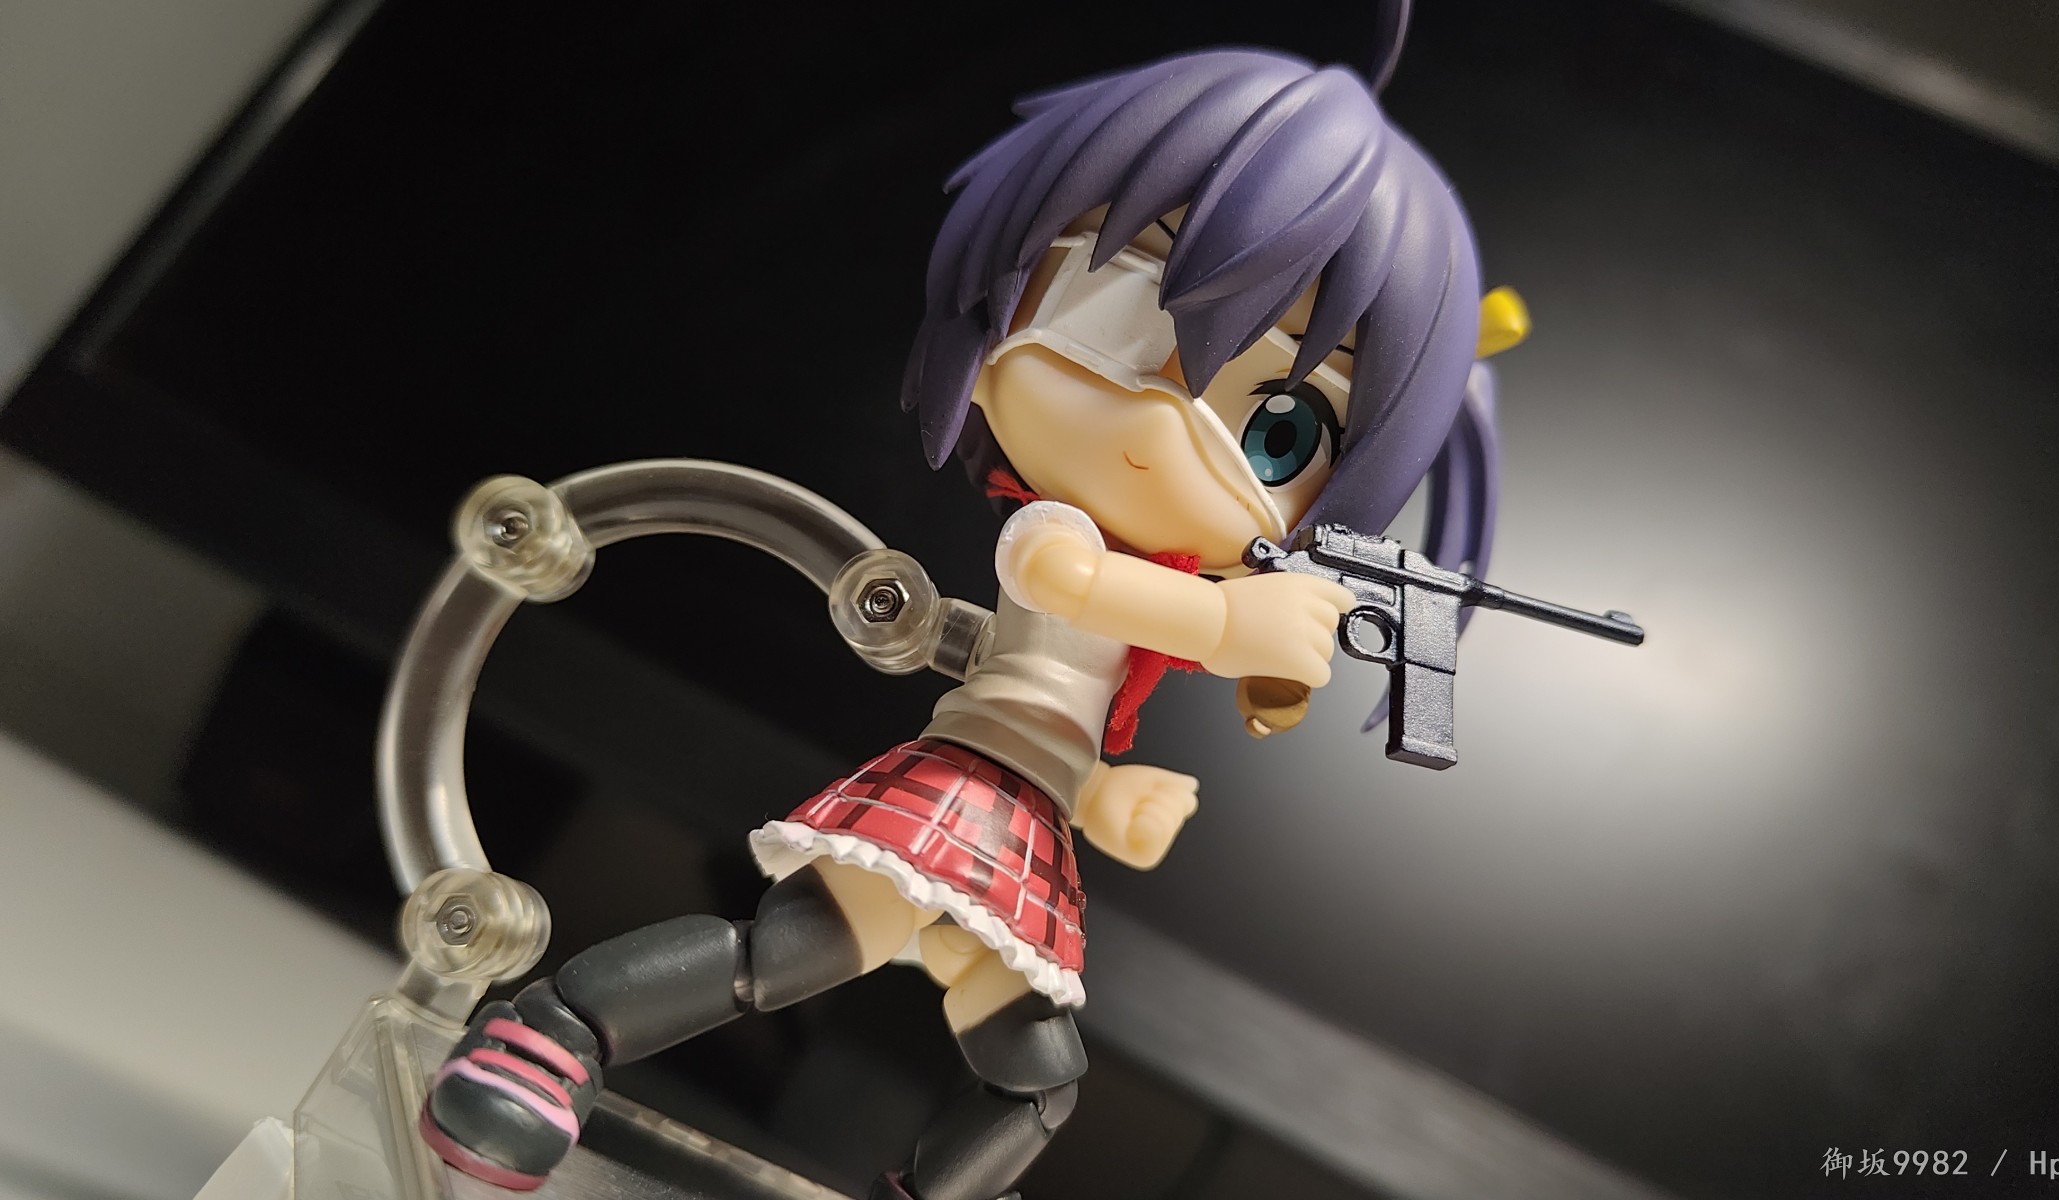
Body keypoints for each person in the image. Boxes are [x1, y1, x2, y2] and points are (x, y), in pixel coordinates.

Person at [420, 33, 1526, 1200]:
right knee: (787, 954)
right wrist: (1227, 629)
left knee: (1035, 1082)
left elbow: (1070, 708)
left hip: (1024, 832)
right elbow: (1062, 589)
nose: (1166, 427)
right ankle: (551, 1037)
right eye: (1115, 312)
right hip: (962, 796)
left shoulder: (1164, 602)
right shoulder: (1053, 535)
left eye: (1281, 432)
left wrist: (1108, 798)